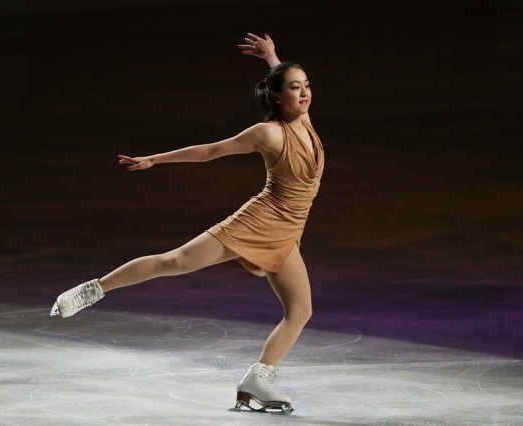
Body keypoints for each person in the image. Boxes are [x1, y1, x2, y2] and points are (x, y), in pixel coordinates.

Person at [49, 33, 324, 415]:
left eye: (307, 85)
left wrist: (271, 56)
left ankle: (256, 381)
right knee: (174, 261)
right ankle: (94, 289)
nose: (305, 93)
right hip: (258, 222)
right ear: (279, 97)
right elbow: (211, 151)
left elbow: (282, 80)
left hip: (289, 232)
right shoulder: (269, 133)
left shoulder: (304, 121)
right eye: (296, 88)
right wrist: (154, 159)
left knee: (300, 310)